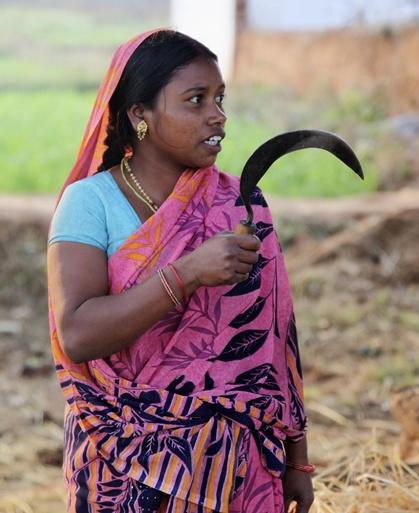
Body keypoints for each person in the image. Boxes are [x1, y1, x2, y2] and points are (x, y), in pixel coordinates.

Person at [47, 29, 313, 513]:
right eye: (196, 100)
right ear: (139, 114)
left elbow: (277, 337)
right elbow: (79, 336)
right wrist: (187, 273)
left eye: (220, 98)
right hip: (119, 459)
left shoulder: (240, 204)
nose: (218, 116)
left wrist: (297, 458)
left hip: (238, 462)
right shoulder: (90, 203)